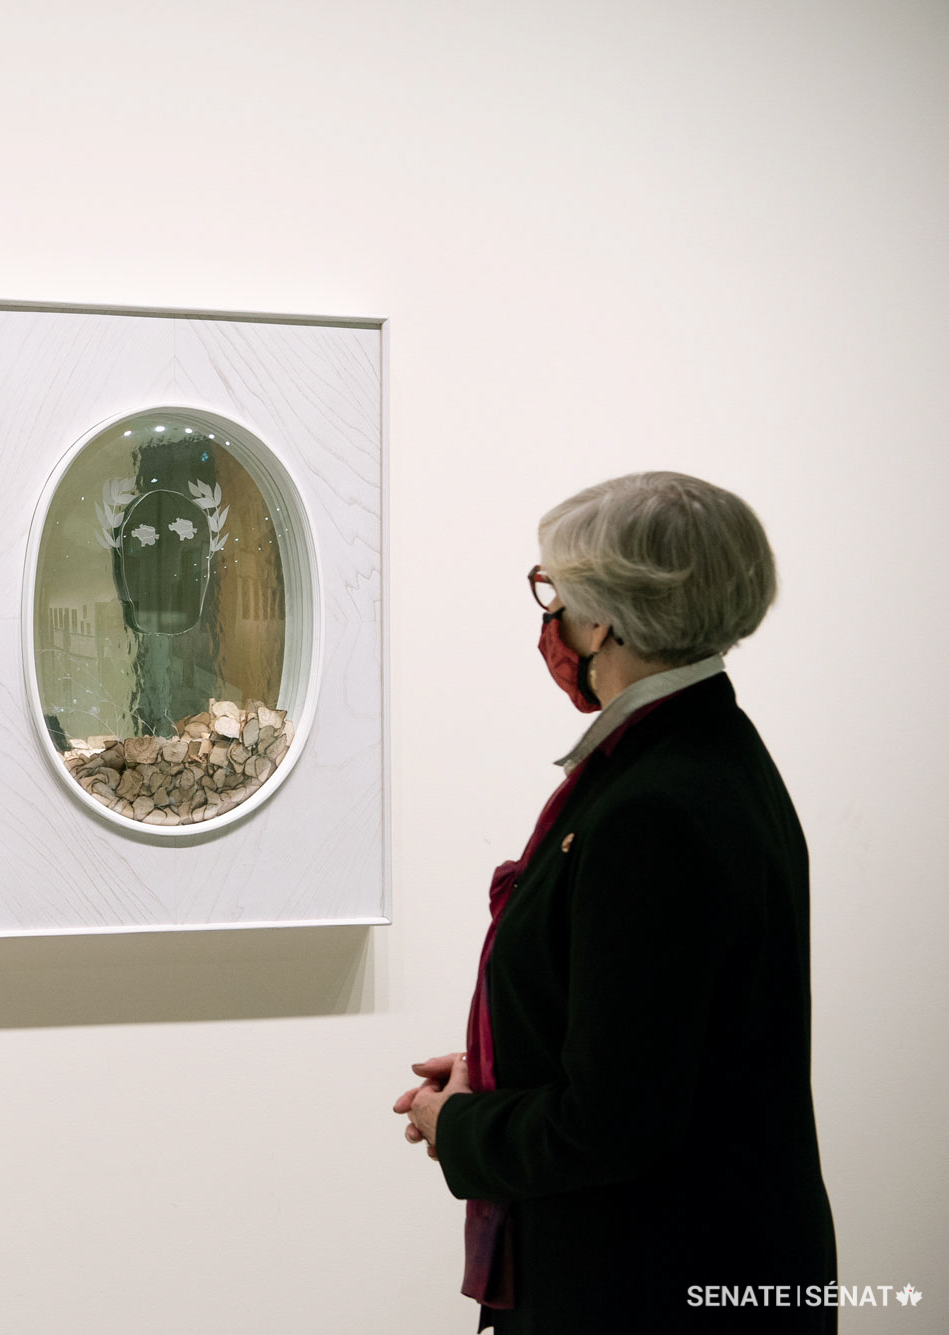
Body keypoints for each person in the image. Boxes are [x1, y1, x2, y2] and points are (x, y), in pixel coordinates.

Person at [392, 472, 838, 1332]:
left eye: (554, 593)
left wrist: (463, 1127)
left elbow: (613, 1122)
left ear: (601, 620)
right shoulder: (713, 749)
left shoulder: (654, 805)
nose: (550, 620)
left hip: (655, 1282)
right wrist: (499, 1065)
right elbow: (664, 1033)